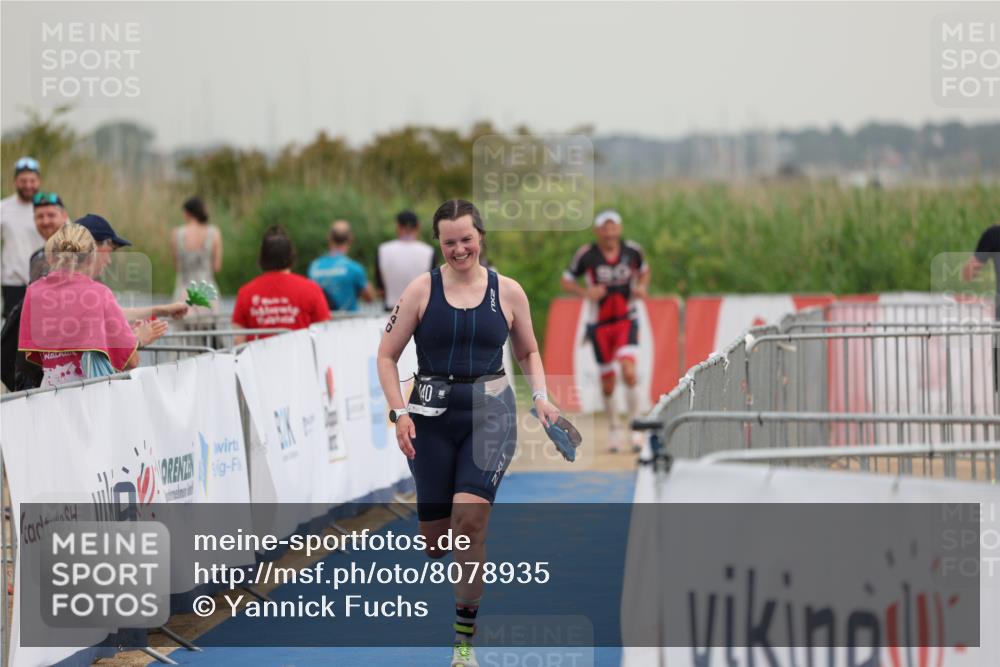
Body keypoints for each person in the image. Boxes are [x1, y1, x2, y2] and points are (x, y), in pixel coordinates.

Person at [376, 199, 561, 667]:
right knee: (438, 542)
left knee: (470, 525)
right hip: (430, 422)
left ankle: (463, 642)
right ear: (438, 244)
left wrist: (540, 397)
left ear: (481, 237)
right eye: (449, 242)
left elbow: (529, 353)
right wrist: (399, 413)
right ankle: (447, 556)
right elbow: (386, 356)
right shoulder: (421, 290)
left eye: (467, 239)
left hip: (490, 416)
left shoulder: (509, 292)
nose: (460, 249)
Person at [17, 223, 166, 388]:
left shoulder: (33, 292)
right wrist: (138, 339)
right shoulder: (99, 294)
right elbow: (131, 361)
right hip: (89, 397)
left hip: (49, 394)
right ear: (90, 257)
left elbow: (38, 354)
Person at [561, 209, 651, 453]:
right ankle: (613, 428)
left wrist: (641, 287)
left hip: (626, 319)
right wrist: (585, 293)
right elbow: (567, 279)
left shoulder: (632, 251)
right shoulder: (587, 255)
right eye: (605, 228)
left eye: (614, 227)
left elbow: (644, 271)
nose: (610, 232)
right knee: (608, 382)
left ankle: (636, 427)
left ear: (619, 229)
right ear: (597, 231)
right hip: (599, 324)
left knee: (629, 371)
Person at [76, 213, 189, 322]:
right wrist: (140, 339)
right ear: (92, 248)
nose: (109, 261)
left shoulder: (64, 286)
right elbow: (114, 317)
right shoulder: (98, 292)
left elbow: (115, 314)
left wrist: (161, 310)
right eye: (109, 251)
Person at [233, 225, 330, 344]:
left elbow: (238, 340)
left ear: (262, 258)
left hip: (260, 361)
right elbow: (324, 333)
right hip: (301, 360)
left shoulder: (246, 292)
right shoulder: (311, 289)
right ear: (291, 257)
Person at [1, 157, 44, 318]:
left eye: (32, 180)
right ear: (15, 181)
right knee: (13, 332)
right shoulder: (3, 208)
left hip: (43, 281)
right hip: (12, 282)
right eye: (23, 181)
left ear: (39, 181)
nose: (28, 185)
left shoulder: (49, 206)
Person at [307, 219, 374, 312]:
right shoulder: (354, 268)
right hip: (350, 323)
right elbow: (370, 298)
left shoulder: (314, 266)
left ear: (329, 237)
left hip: (322, 322)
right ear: (351, 239)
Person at [375, 210, 436, 311]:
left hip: (391, 311)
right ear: (418, 226)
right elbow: (432, 287)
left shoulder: (382, 250)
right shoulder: (429, 252)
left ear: (398, 226)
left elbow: (380, 289)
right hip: (419, 311)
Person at [171, 196, 222, 311]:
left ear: (187, 213)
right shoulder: (214, 232)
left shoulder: (177, 234)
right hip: (207, 292)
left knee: (182, 323)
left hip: (184, 291)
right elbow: (217, 267)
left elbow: (177, 267)